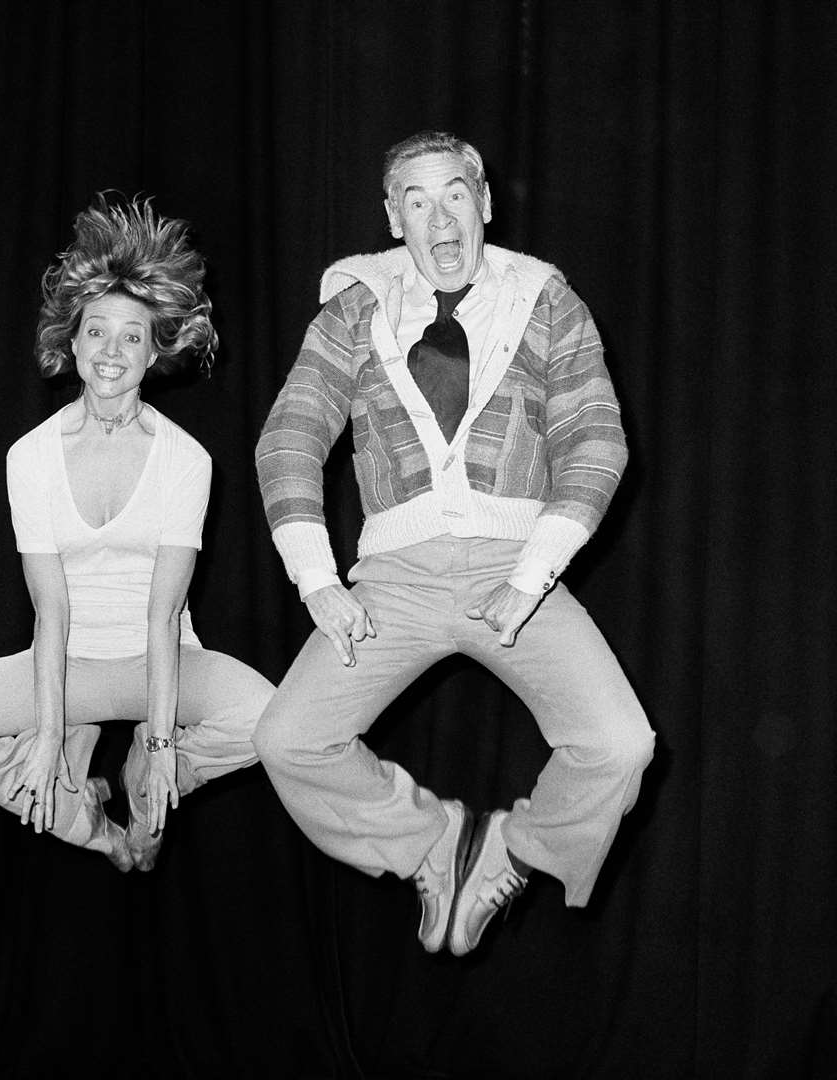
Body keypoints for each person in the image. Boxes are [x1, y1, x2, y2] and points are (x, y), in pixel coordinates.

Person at [253, 131, 654, 955]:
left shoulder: (545, 300)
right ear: (393, 218)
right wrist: (316, 581)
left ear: (485, 203)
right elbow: (289, 437)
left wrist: (534, 572)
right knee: (286, 739)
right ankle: (431, 842)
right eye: (417, 199)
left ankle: (515, 848)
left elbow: (598, 441)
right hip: (395, 581)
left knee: (619, 746)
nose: (440, 216)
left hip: (517, 573)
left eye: (455, 194)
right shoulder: (353, 309)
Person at [0, 194, 272, 871]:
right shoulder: (30, 455)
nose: (112, 351)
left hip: (163, 662)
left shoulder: (186, 459)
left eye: (132, 335)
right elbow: (51, 608)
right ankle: (75, 805)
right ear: (73, 339)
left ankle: (139, 781)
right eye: (98, 331)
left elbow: (162, 616)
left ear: (156, 352)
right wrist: (41, 738)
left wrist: (159, 753)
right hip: (67, 664)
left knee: (274, 722)